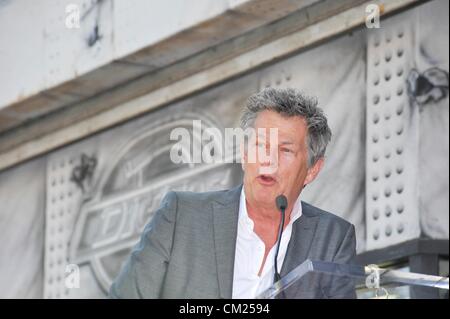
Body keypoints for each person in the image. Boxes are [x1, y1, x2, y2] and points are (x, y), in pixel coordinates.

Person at [109, 87, 356, 299]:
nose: (268, 161)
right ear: (244, 153)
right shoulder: (181, 216)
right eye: (260, 145)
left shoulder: (333, 237)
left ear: (313, 169)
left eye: (285, 151)